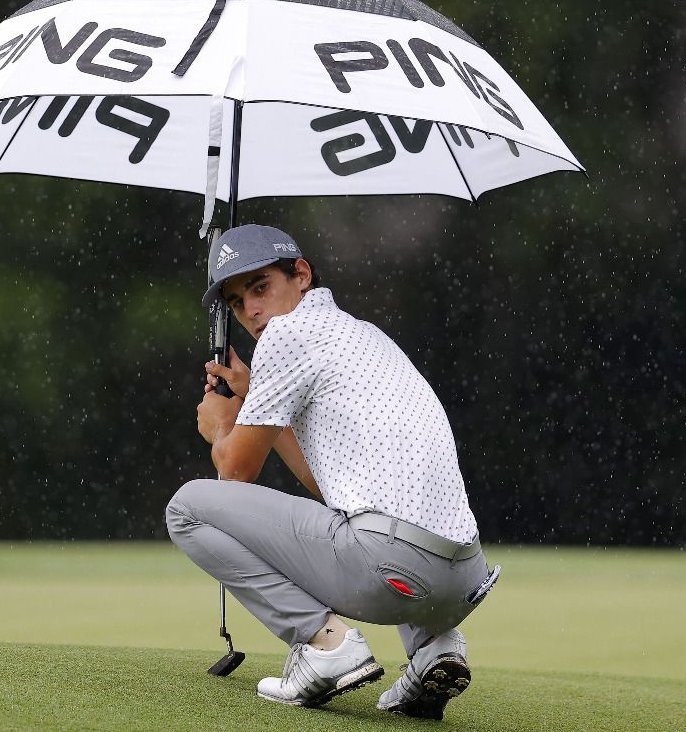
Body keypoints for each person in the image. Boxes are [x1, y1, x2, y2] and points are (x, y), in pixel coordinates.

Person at [165, 223, 499, 719]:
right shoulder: (364, 334)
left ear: (301, 275)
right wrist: (259, 397)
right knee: (365, 516)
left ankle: (325, 645)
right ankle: (435, 647)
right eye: (236, 302)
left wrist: (220, 428)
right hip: (462, 581)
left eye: (260, 288)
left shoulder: (286, 334)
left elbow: (234, 474)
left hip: (388, 571)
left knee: (188, 509)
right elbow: (328, 486)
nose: (251, 311)